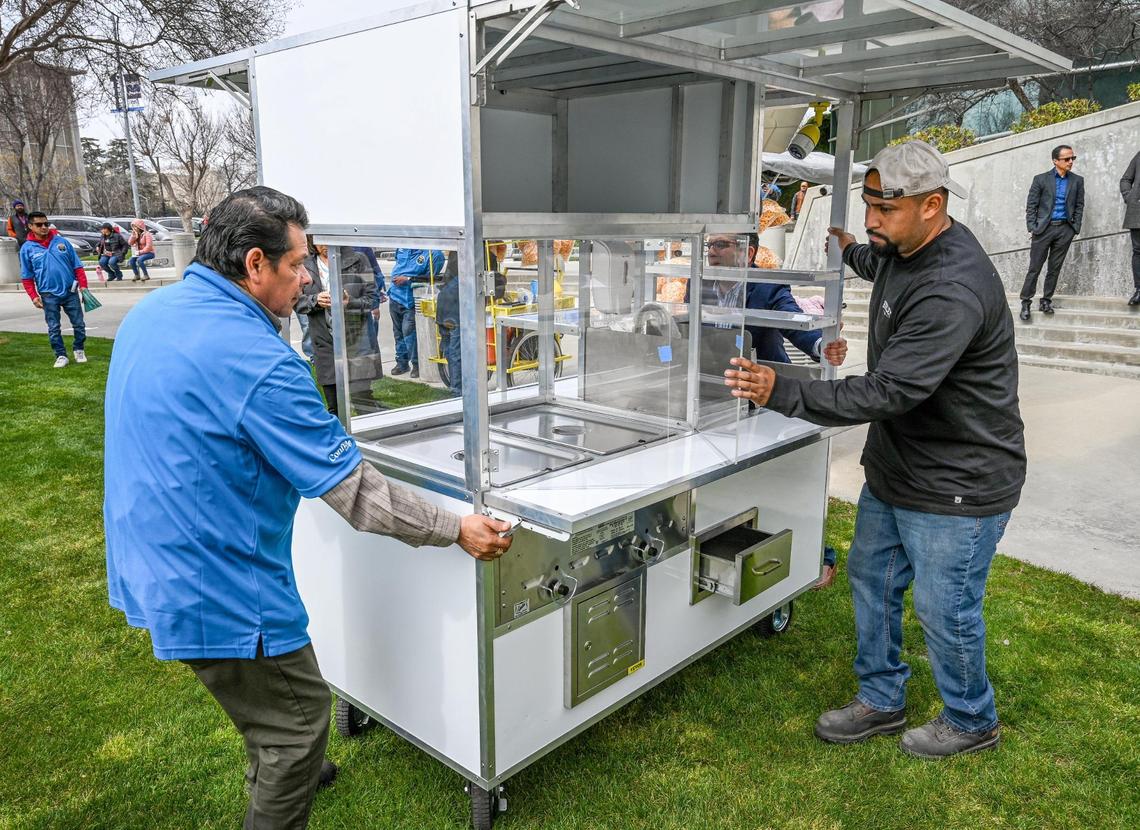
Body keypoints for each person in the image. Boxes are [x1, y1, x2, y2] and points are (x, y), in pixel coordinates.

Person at [104, 186, 512, 830]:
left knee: (272, 709)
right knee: (297, 725)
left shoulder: (160, 311)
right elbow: (357, 493)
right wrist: (455, 525)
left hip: (149, 554)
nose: (307, 280)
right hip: (218, 582)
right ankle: (290, 767)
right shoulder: (259, 362)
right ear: (256, 264)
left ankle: (292, 763)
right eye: (298, 265)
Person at [724, 140, 1025, 759]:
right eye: (868, 204)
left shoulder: (952, 288)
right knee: (871, 578)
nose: (872, 220)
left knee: (946, 611)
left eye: (885, 208)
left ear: (933, 205)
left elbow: (891, 391)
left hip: (959, 481)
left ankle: (972, 721)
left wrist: (785, 389)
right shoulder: (902, 245)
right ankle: (882, 700)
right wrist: (848, 248)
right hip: (899, 469)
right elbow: (875, 259)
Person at [704, 232, 847, 366]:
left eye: (720, 245)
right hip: (711, 376)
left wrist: (823, 346)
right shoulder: (699, 283)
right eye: (709, 245)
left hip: (761, 381)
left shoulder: (767, 286)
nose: (711, 253)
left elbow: (792, 319)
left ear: (747, 253)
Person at [294, 240, 378, 416]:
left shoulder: (358, 260)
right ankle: (340, 443)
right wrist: (315, 300)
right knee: (334, 407)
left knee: (364, 402)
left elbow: (373, 300)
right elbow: (296, 302)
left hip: (356, 342)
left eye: (328, 239)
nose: (324, 245)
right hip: (325, 345)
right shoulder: (305, 265)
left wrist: (349, 303)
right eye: (319, 240)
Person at [1019, 145, 1085, 321]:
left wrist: (1075, 227)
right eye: (1066, 159)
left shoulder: (1077, 181)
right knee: (1034, 268)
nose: (1071, 162)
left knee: (1054, 268)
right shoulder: (1041, 179)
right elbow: (1031, 205)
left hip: (1065, 229)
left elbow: (1079, 205)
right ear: (1055, 161)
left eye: (1073, 158)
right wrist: (1032, 227)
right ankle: (1026, 302)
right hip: (1043, 229)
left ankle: (1046, 300)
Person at [19, 210, 88, 368]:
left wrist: (83, 286)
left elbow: (77, 266)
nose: (44, 227)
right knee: (54, 327)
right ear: (30, 226)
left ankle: (79, 349)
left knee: (79, 324)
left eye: (46, 224)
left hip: (70, 291)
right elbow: (26, 276)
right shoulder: (27, 249)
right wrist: (33, 296)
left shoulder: (61, 242)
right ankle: (61, 355)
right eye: (39, 224)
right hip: (48, 294)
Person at [388, 248, 444, 378]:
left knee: (409, 332)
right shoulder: (402, 248)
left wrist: (408, 278)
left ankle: (417, 364)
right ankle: (402, 363)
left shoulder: (434, 254)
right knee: (398, 333)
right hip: (395, 297)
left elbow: (431, 279)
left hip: (411, 300)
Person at [1119, 149, 1140, 306]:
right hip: (1137, 212)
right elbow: (1125, 179)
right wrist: (1129, 197)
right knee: (1138, 252)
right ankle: (1139, 290)